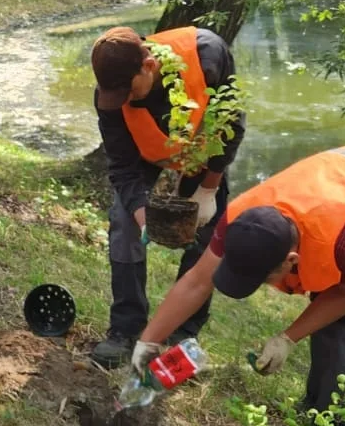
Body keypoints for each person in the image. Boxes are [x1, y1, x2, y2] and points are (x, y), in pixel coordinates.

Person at [134, 145, 345, 426]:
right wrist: (148, 341)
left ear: (291, 260)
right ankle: (314, 409)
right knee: (327, 305)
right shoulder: (243, 217)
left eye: (261, 278)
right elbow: (197, 281)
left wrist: (287, 338)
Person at [88, 25, 245, 368]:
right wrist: (142, 214)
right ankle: (125, 328)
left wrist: (208, 189)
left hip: (202, 154)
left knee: (207, 234)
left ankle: (181, 333)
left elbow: (232, 123)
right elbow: (123, 168)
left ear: (147, 66)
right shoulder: (111, 96)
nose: (124, 101)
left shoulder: (206, 55)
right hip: (147, 157)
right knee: (123, 222)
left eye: (129, 91)